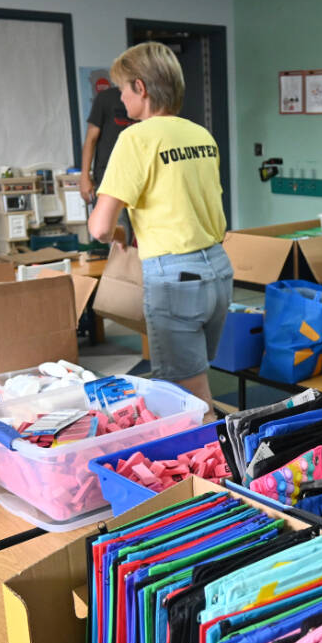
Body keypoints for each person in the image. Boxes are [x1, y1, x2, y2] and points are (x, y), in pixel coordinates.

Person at [88, 42, 231, 419]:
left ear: (141, 87)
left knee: (188, 394)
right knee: (196, 377)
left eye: (122, 88)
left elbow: (101, 226)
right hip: (217, 271)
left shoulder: (135, 139)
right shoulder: (201, 135)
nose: (120, 97)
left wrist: (109, 232)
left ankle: (215, 468)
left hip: (175, 278)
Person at [79, 85, 133, 226]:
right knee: (116, 232)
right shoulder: (105, 98)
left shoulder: (146, 98)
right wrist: (85, 176)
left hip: (137, 176)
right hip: (108, 177)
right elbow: (90, 139)